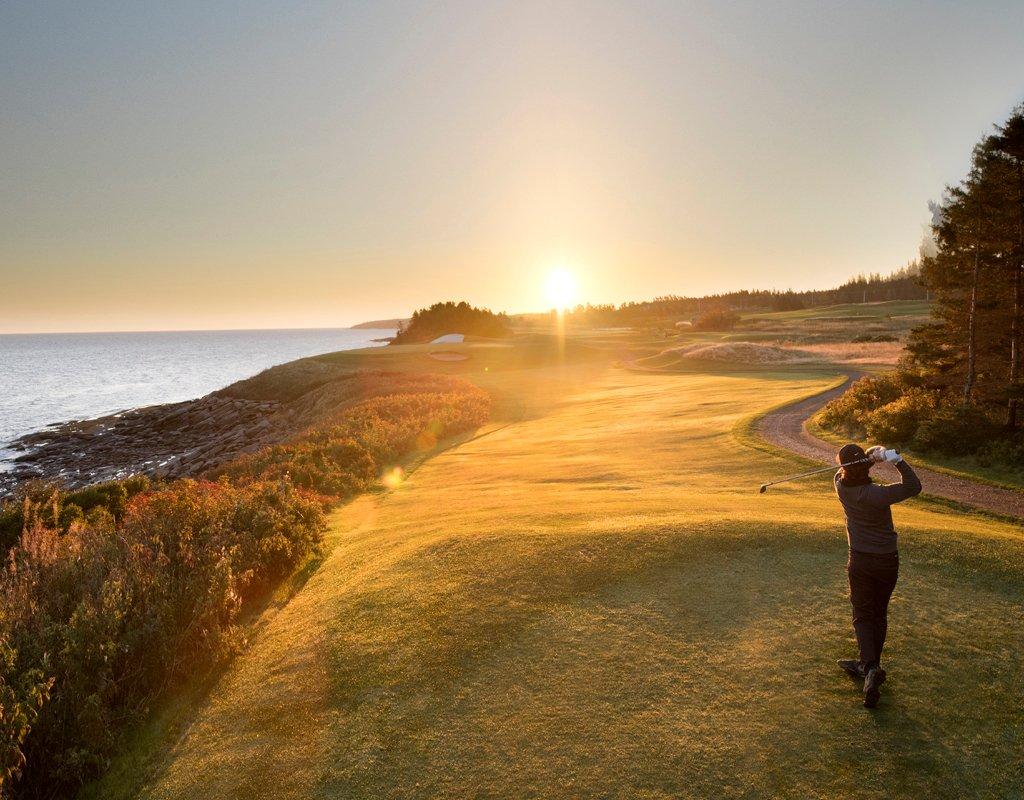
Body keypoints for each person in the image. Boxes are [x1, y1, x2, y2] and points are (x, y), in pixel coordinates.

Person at [833, 442, 921, 708]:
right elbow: (913, 486)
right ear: (863, 465)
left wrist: (867, 460)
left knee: (862, 614)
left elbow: (839, 474)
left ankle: (868, 666)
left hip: (859, 560)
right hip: (886, 561)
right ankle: (872, 667)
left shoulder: (841, 488)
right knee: (878, 613)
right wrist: (893, 460)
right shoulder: (877, 494)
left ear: (844, 467)